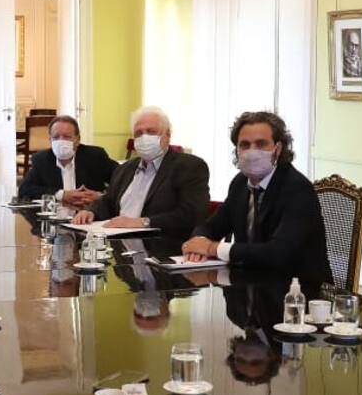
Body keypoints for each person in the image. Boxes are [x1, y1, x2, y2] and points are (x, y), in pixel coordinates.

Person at [181, 111, 332, 284]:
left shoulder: (297, 188)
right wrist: (198, 242)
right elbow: (211, 226)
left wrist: (213, 248)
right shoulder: (240, 183)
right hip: (248, 285)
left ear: (278, 148)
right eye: (245, 145)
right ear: (237, 150)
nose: (252, 151)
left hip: (296, 292)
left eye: (261, 144)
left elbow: (278, 253)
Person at [73, 106, 210, 237]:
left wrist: (142, 222)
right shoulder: (124, 169)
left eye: (151, 132)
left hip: (163, 246)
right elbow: (108, 201)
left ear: (167, 135)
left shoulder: (189, 167)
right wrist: (90, 211)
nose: (144, 138)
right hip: (120, 244)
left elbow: (191, 214)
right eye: (139, 133)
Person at [17, 115, 118, 207]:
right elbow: (25, 190)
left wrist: (101, 196)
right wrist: (61, 194)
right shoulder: (42, 160)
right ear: (50, 140)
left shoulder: (95, 156)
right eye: (56, 137)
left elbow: (124, 180)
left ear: (77, 140)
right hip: (56, 219)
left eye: (67, 137)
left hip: (90, 218)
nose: (61, 141)